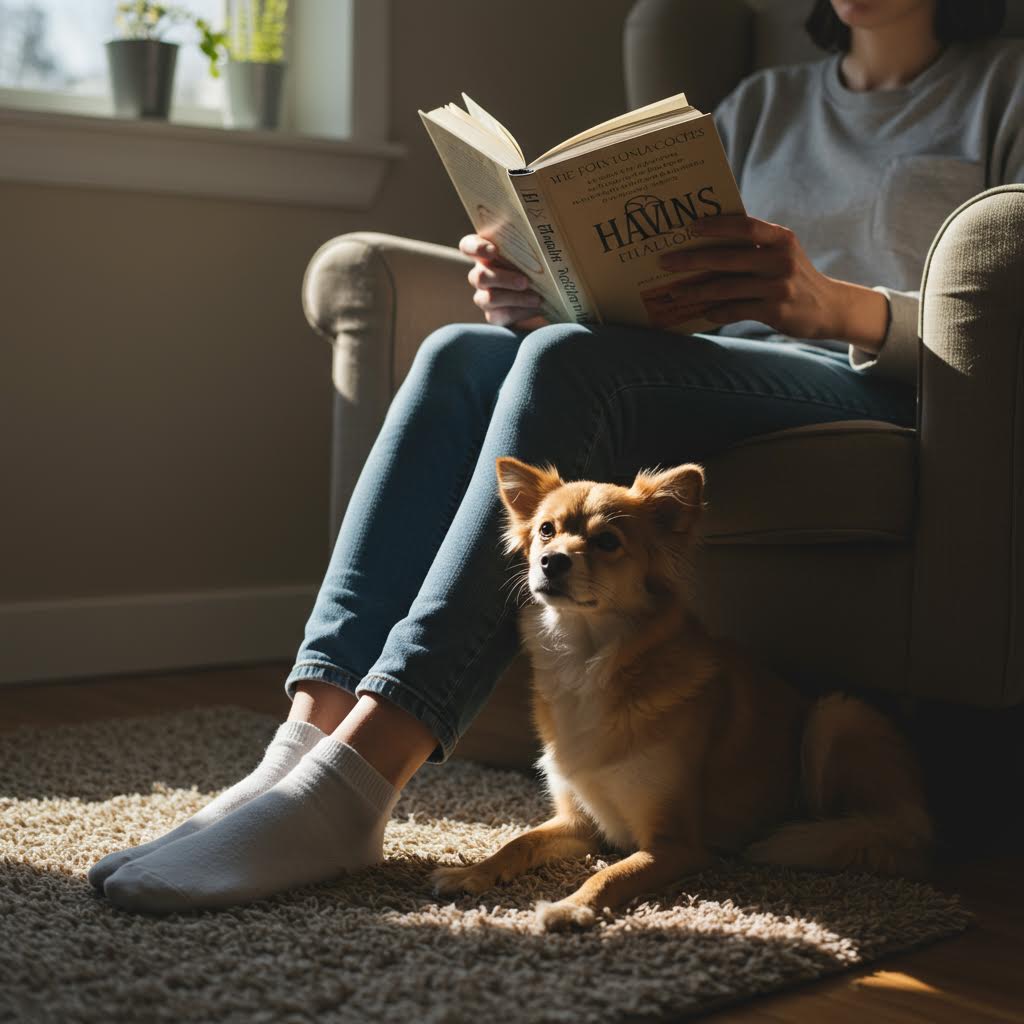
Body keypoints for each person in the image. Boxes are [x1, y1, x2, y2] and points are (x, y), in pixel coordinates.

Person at [93, 0, 1022, 913]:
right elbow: (680, 298)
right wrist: (541, 292)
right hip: (714, 371)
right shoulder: (761, 103)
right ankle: (303, 750)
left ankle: (357, 785)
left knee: (571, 364)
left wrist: (841, 306)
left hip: (879, 386)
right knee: (462, 353)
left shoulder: (1005, 89)